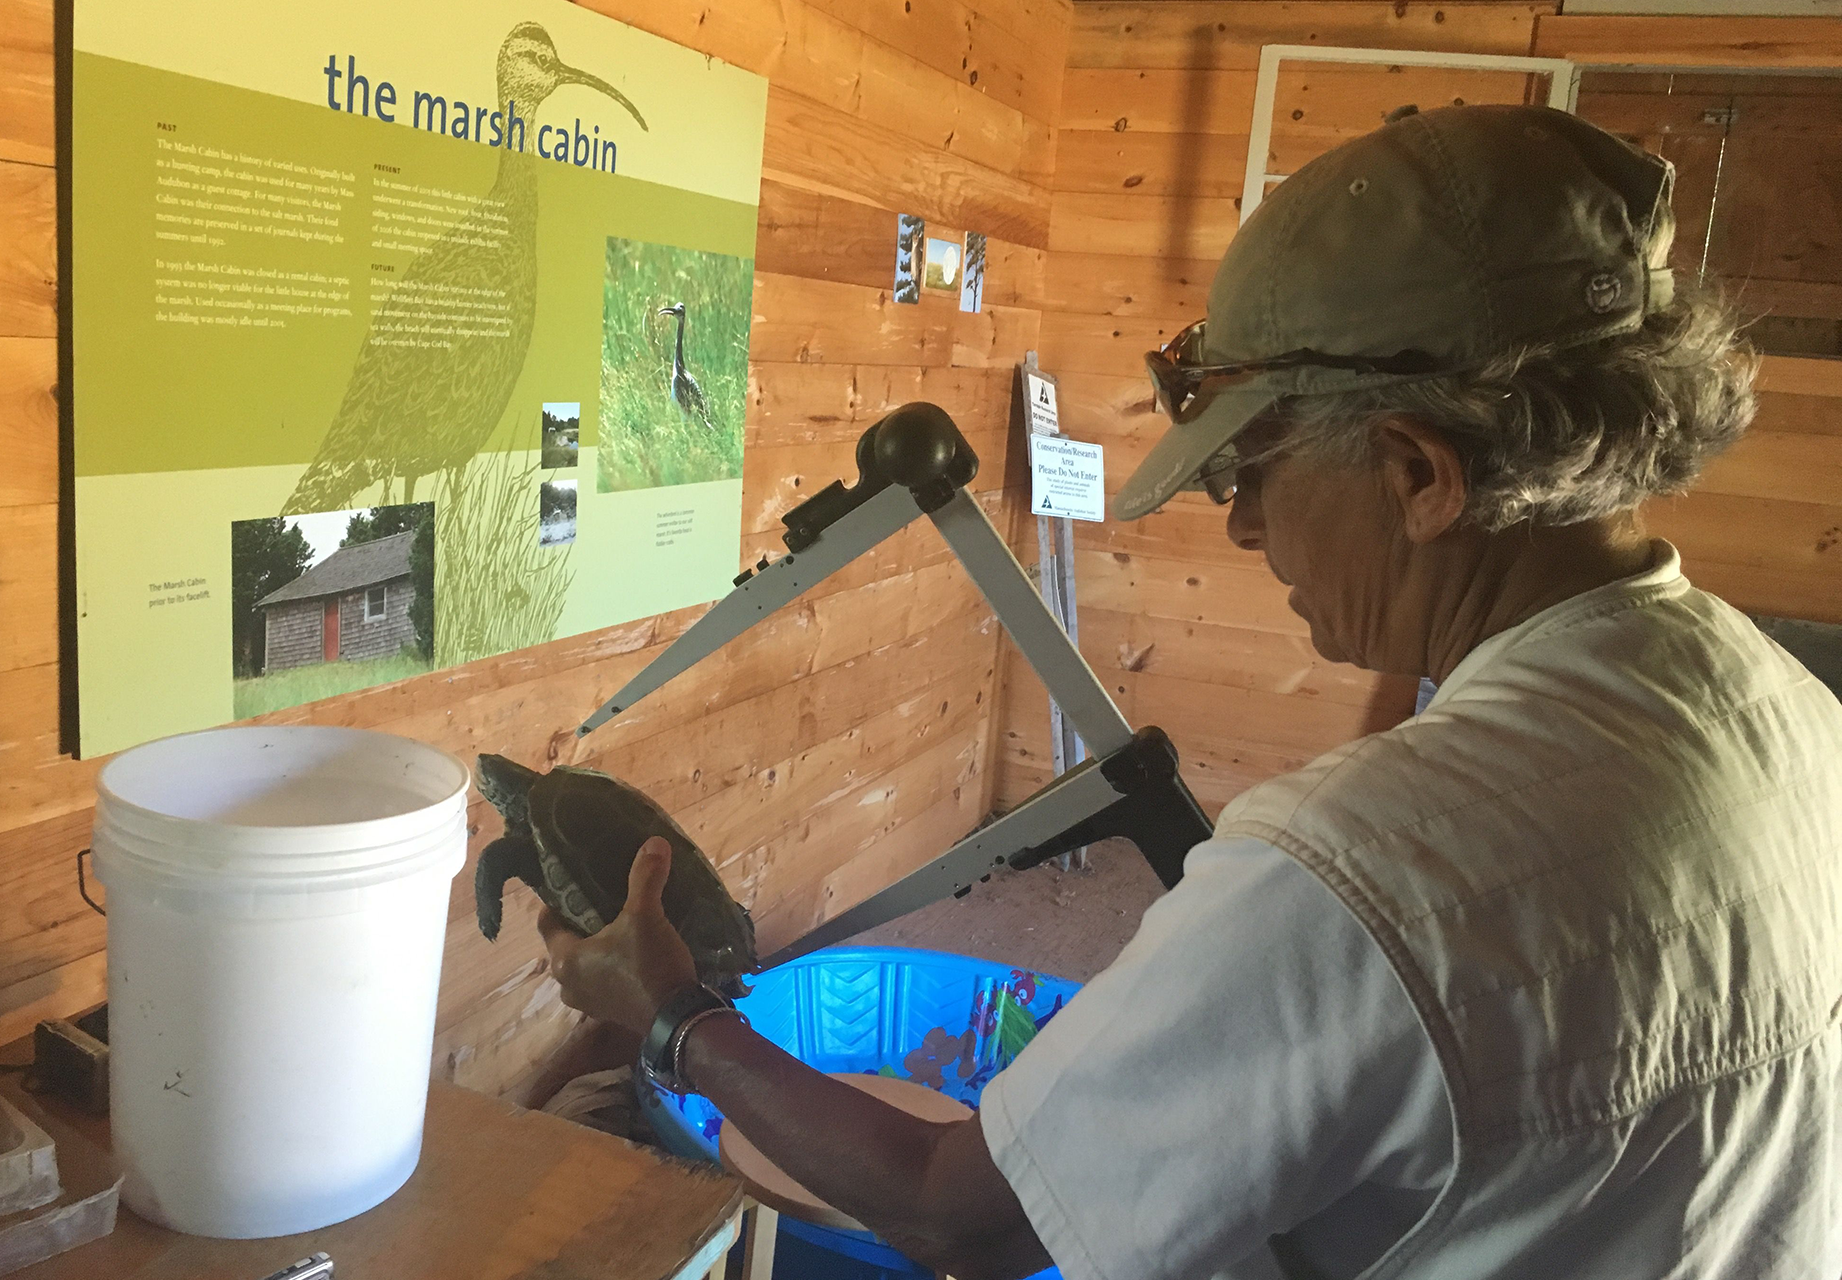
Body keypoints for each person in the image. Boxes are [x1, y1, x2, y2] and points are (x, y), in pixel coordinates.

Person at [537, 105, 1842, 1279]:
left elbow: (962, 1216)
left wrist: (673, 1016)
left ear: (1422, 475)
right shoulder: (1788, 711)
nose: (1240, 529)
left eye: (1252, 471)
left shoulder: (1360, 875)